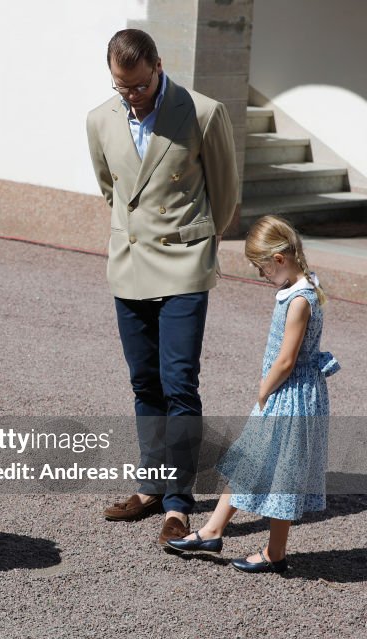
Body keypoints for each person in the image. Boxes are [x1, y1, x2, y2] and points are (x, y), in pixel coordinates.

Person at [86, 28, 240, 546]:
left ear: (158, 66)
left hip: (183, 264)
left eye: (138, 86)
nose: (130, 96)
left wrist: (191, 241)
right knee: (143, 384)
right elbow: (111, 188)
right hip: (128, 264)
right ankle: (150, 486)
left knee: (179, 384)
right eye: (120, 86)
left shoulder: (201, 112)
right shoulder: (99, 119)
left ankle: (178, 502)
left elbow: (225, 195)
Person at [166, 216, 339, 573]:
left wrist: (263, 390)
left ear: (279, 259)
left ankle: (274, 553)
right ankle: (214, 529)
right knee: (249, 459)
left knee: (282, 474)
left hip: (288, 396)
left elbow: (287, 359)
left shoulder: (300, 300)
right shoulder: (305, 285)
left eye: (261, 268)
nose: (261, 275)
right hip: (289, 394)